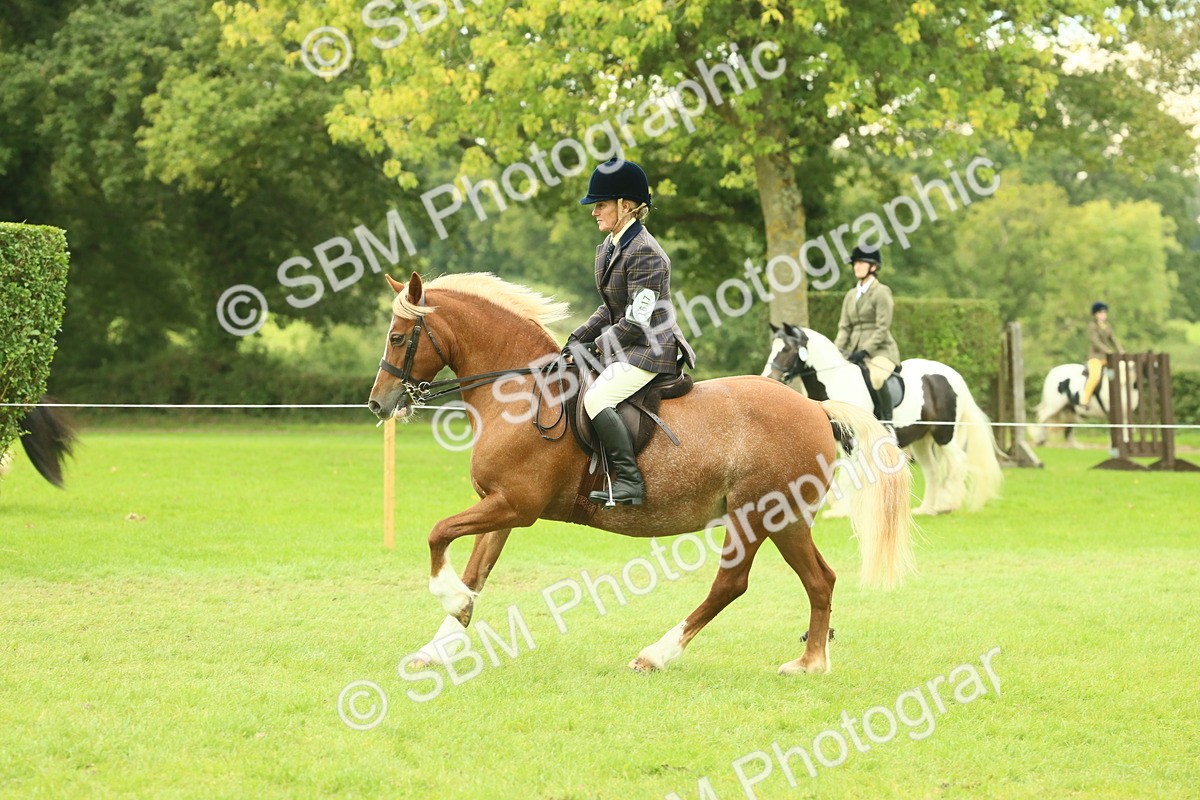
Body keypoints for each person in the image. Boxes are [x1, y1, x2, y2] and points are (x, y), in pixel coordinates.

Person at [564, 158, 695, 507]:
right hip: (628, 343)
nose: (595, 212)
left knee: (596, 398)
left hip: (649, 349)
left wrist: (597, 347)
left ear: (626, 206)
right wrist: (578, 337)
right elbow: (611, 307)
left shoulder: (647, 253)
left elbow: (636, 321)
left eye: (601, 204)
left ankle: (629, 481)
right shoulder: (610, 247)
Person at [833, 245, 901, 424]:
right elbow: (844, 327)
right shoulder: (850, 295)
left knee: (877, 378)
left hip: (880, 351)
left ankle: (887, 422)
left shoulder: (881, 292)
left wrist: (865, 350)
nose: (856, 266)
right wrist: (836, 351)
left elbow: (883, 327)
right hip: (853, 350)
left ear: (874, 266)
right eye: (855, 263)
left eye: (861, 263)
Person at [1080, 301, 1122, 410]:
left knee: (1117, 373)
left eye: (1104, 313)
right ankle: (1085, 399)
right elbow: (1096, 341)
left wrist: (1121, 351)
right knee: (1095, 376)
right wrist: (1107, 350)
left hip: (1107, 358)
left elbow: (1113, 339)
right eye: (1100, 313)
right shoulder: (1092, 326)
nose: (1103, 315)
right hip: (1096, 357)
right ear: (1095, 315)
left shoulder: (1107, 326)